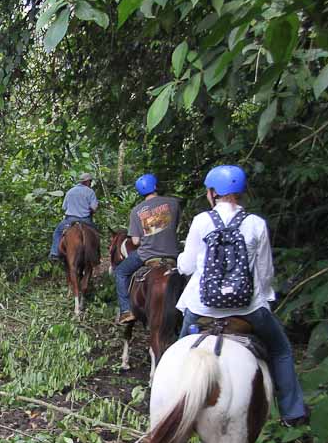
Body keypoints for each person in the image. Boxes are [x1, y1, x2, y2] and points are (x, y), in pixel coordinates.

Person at [175, 164, 309, 426]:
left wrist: (180, 262)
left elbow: (188, 266)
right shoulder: (256, 224)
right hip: (248, 309)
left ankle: (173, 404)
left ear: (213, 192)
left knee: (178, 351)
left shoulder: (201, 221)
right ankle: (293, 413)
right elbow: (265, 272)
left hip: (202, 309)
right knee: (281, 350)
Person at [114, 173, 181, 324]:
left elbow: (136, 241)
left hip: (147, 255)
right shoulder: (173, 203)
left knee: (120, 272)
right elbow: (174, 227)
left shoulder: (136, 211)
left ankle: (126, 311)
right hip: (172, 254)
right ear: (155, 186)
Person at [49, 172, 99, 261]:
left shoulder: (70, 191)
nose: (90, 184)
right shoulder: (90, 192)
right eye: (90, 182)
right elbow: (94, 208)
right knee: (96, 235)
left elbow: (64, 207)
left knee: (57, 232)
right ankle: (96, 256)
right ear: (87, 182)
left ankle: (54, 253)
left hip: (70, 219)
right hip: (86, 220)